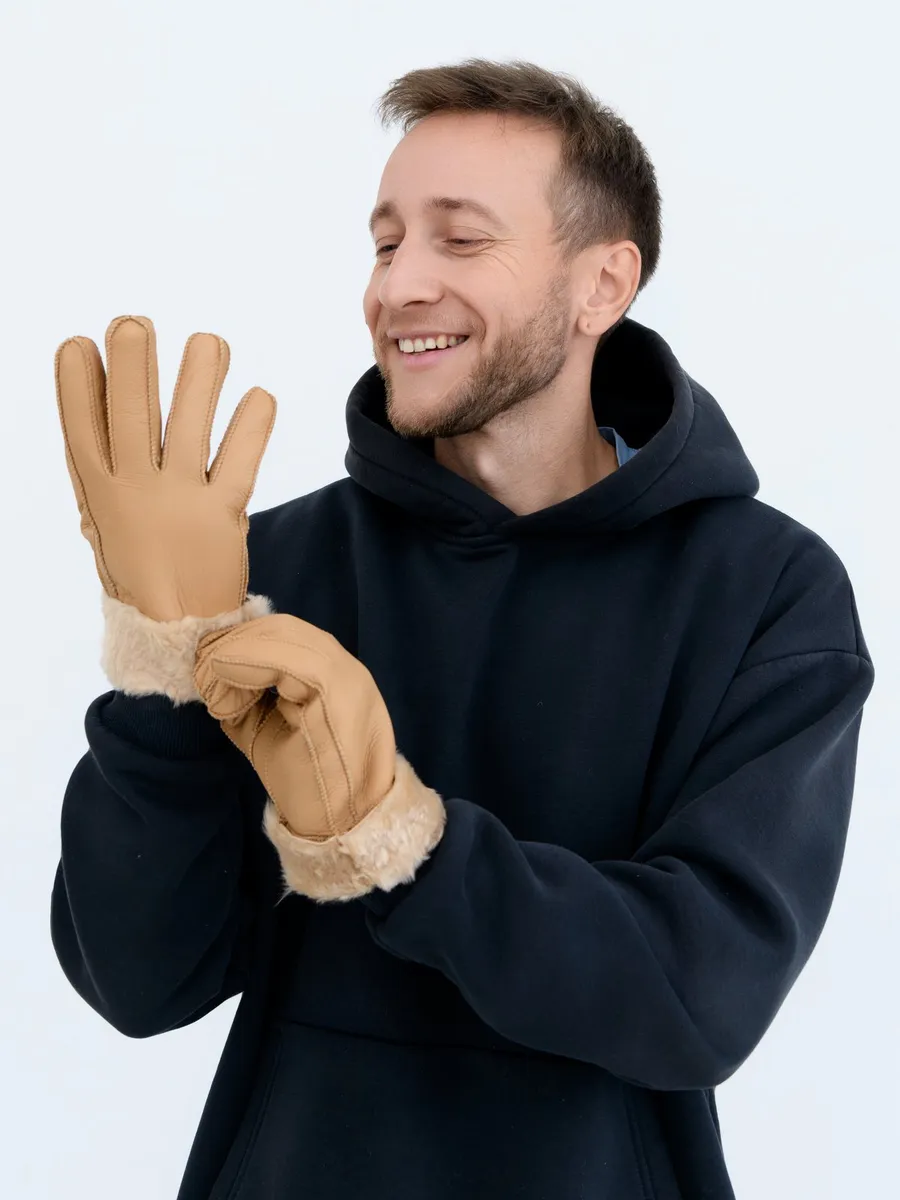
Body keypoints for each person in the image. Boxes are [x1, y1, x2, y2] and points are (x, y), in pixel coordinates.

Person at [50, 57, 875, 1200]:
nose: (400, 287)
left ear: (603, 284)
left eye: (461, 239)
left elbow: (700, 997)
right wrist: (162, 669)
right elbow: (139, 983)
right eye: (386, 243)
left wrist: (400, 840)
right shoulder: (272, 570)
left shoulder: (765, 593)